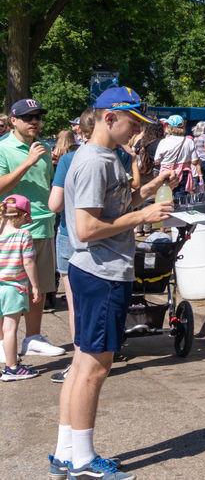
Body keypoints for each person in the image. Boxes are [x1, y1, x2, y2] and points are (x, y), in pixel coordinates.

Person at [51, 88, 173, 480]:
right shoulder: (92, 161)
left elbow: (109, 207)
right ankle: (83, 461)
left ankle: (65, 453)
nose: (137, 131)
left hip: (97, 271)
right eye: (132, 123)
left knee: (81, 364)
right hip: (101, 273)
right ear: (109, 118)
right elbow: (85, 229)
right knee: (93, 369)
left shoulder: (107, 157)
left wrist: (145, 194)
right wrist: (142, 217)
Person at [0, 98, 62, 358]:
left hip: (42, 225)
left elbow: (47, 185)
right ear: (13, 120)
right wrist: (27, 162)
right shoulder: (3, 148)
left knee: (41, 286)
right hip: (11, 230)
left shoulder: (43, 147)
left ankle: (33, 338)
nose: (35, 121)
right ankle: (4, 342)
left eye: (38, 116)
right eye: (28, 117)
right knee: (9, 288)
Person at [48, 106, 95, 385]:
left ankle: (79, 363)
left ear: (81, 129)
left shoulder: (68, 159)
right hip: (109, 237)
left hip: (71, 234)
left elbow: (55, 204)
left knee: (76, 304)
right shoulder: (120, 156)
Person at [1, 194, 41, 381]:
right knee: (10, 329)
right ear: (24, 216)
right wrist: (35, 286)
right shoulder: (23, 235)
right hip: (13, 288)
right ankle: (12, 368)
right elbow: (29, 262)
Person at [154, 115, 203, 196]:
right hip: (183, 173)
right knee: (180, 197)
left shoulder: (163, 142)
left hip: (166, 173)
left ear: (170, 127)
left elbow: (157, 161)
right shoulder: (189, 141)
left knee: (166, 196)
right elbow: (194, 161)